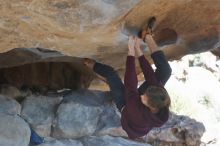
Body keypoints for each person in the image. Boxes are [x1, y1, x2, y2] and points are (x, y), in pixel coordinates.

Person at [84, 32, 172, 139]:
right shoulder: (161, 98)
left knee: (111, 74)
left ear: (151, 107)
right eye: (144, 94)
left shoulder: (135, 111)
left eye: (144, 97)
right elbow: (150, 75)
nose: (141, 95)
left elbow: (130, 84)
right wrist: (138, 49)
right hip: (139, 105)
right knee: (165, 71)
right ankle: (147, 36)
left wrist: (131, 51)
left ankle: (93, 66)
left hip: (126, 106)